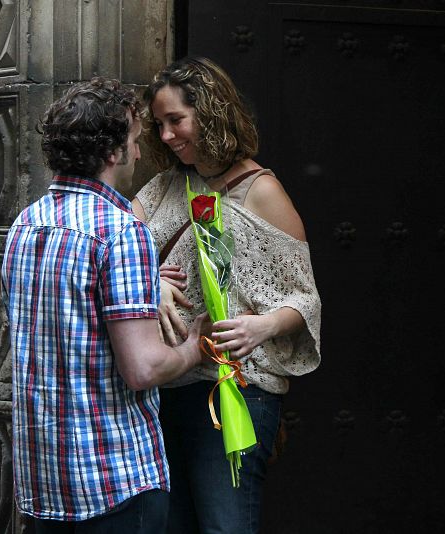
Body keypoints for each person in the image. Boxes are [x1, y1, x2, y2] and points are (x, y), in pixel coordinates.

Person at [2, 77, 207, 534]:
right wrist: (196, 346)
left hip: (44, 482)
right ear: (112, 152)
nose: (139, 153)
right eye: (135, 142)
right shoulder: (120, 231)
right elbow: (144, 368)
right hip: (114, 481)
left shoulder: (25, 224)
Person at [132, 57, 322, 533]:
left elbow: (306, 299)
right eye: (159, 125)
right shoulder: (164, 187)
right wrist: (148, 282)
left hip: (235, 389)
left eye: (177, 120)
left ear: (212, 112)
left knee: (224, 527)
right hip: (166, 388)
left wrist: (263, 326)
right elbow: (112, 253)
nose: (168, 135)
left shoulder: (262, 191)